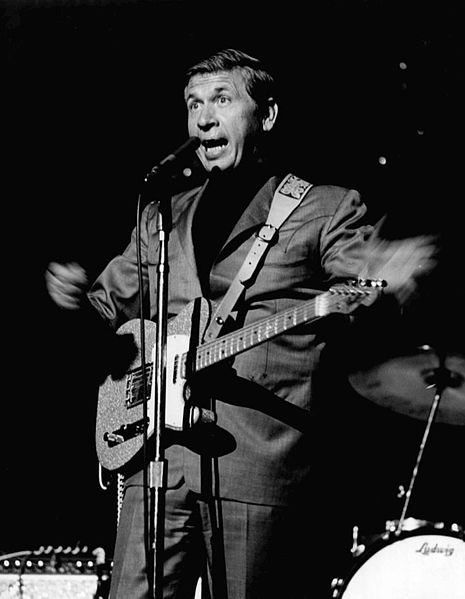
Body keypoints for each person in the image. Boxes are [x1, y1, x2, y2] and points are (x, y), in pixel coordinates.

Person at [45, 48, 435, 599]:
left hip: (257, 459)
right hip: (156, 461)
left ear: (266, 115)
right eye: (193, 104)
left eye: (222, 100)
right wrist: (72, 305)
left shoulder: (323, 207)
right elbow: (108, 313)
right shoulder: (163, 216)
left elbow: (366, 286)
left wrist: (386, 275)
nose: (203, 117)